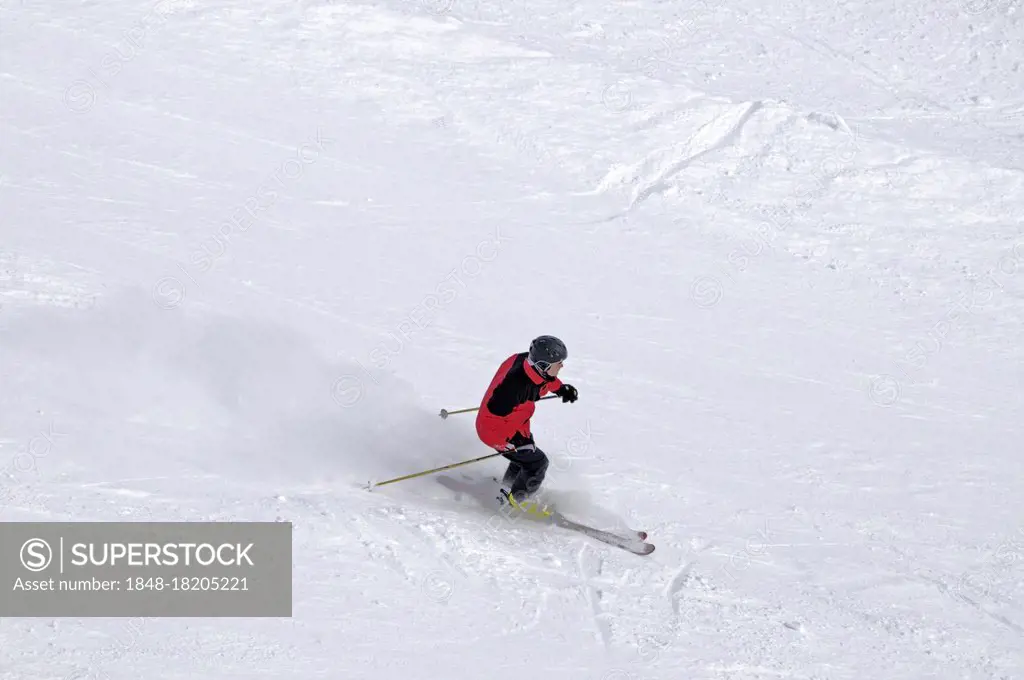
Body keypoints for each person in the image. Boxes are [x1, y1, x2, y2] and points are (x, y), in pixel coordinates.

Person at [475, 335, 578, 514]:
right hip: (496, 431)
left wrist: (560, 389)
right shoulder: (516, 386)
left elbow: (543, 381)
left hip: (515, 424)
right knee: (538, 463)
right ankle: (515, 503)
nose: (562, 365)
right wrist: (513, 442)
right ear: (543, 366)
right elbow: (497, 408)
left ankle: (506, 489)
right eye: (558, 363)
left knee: (525, 456)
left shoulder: (527, 361)